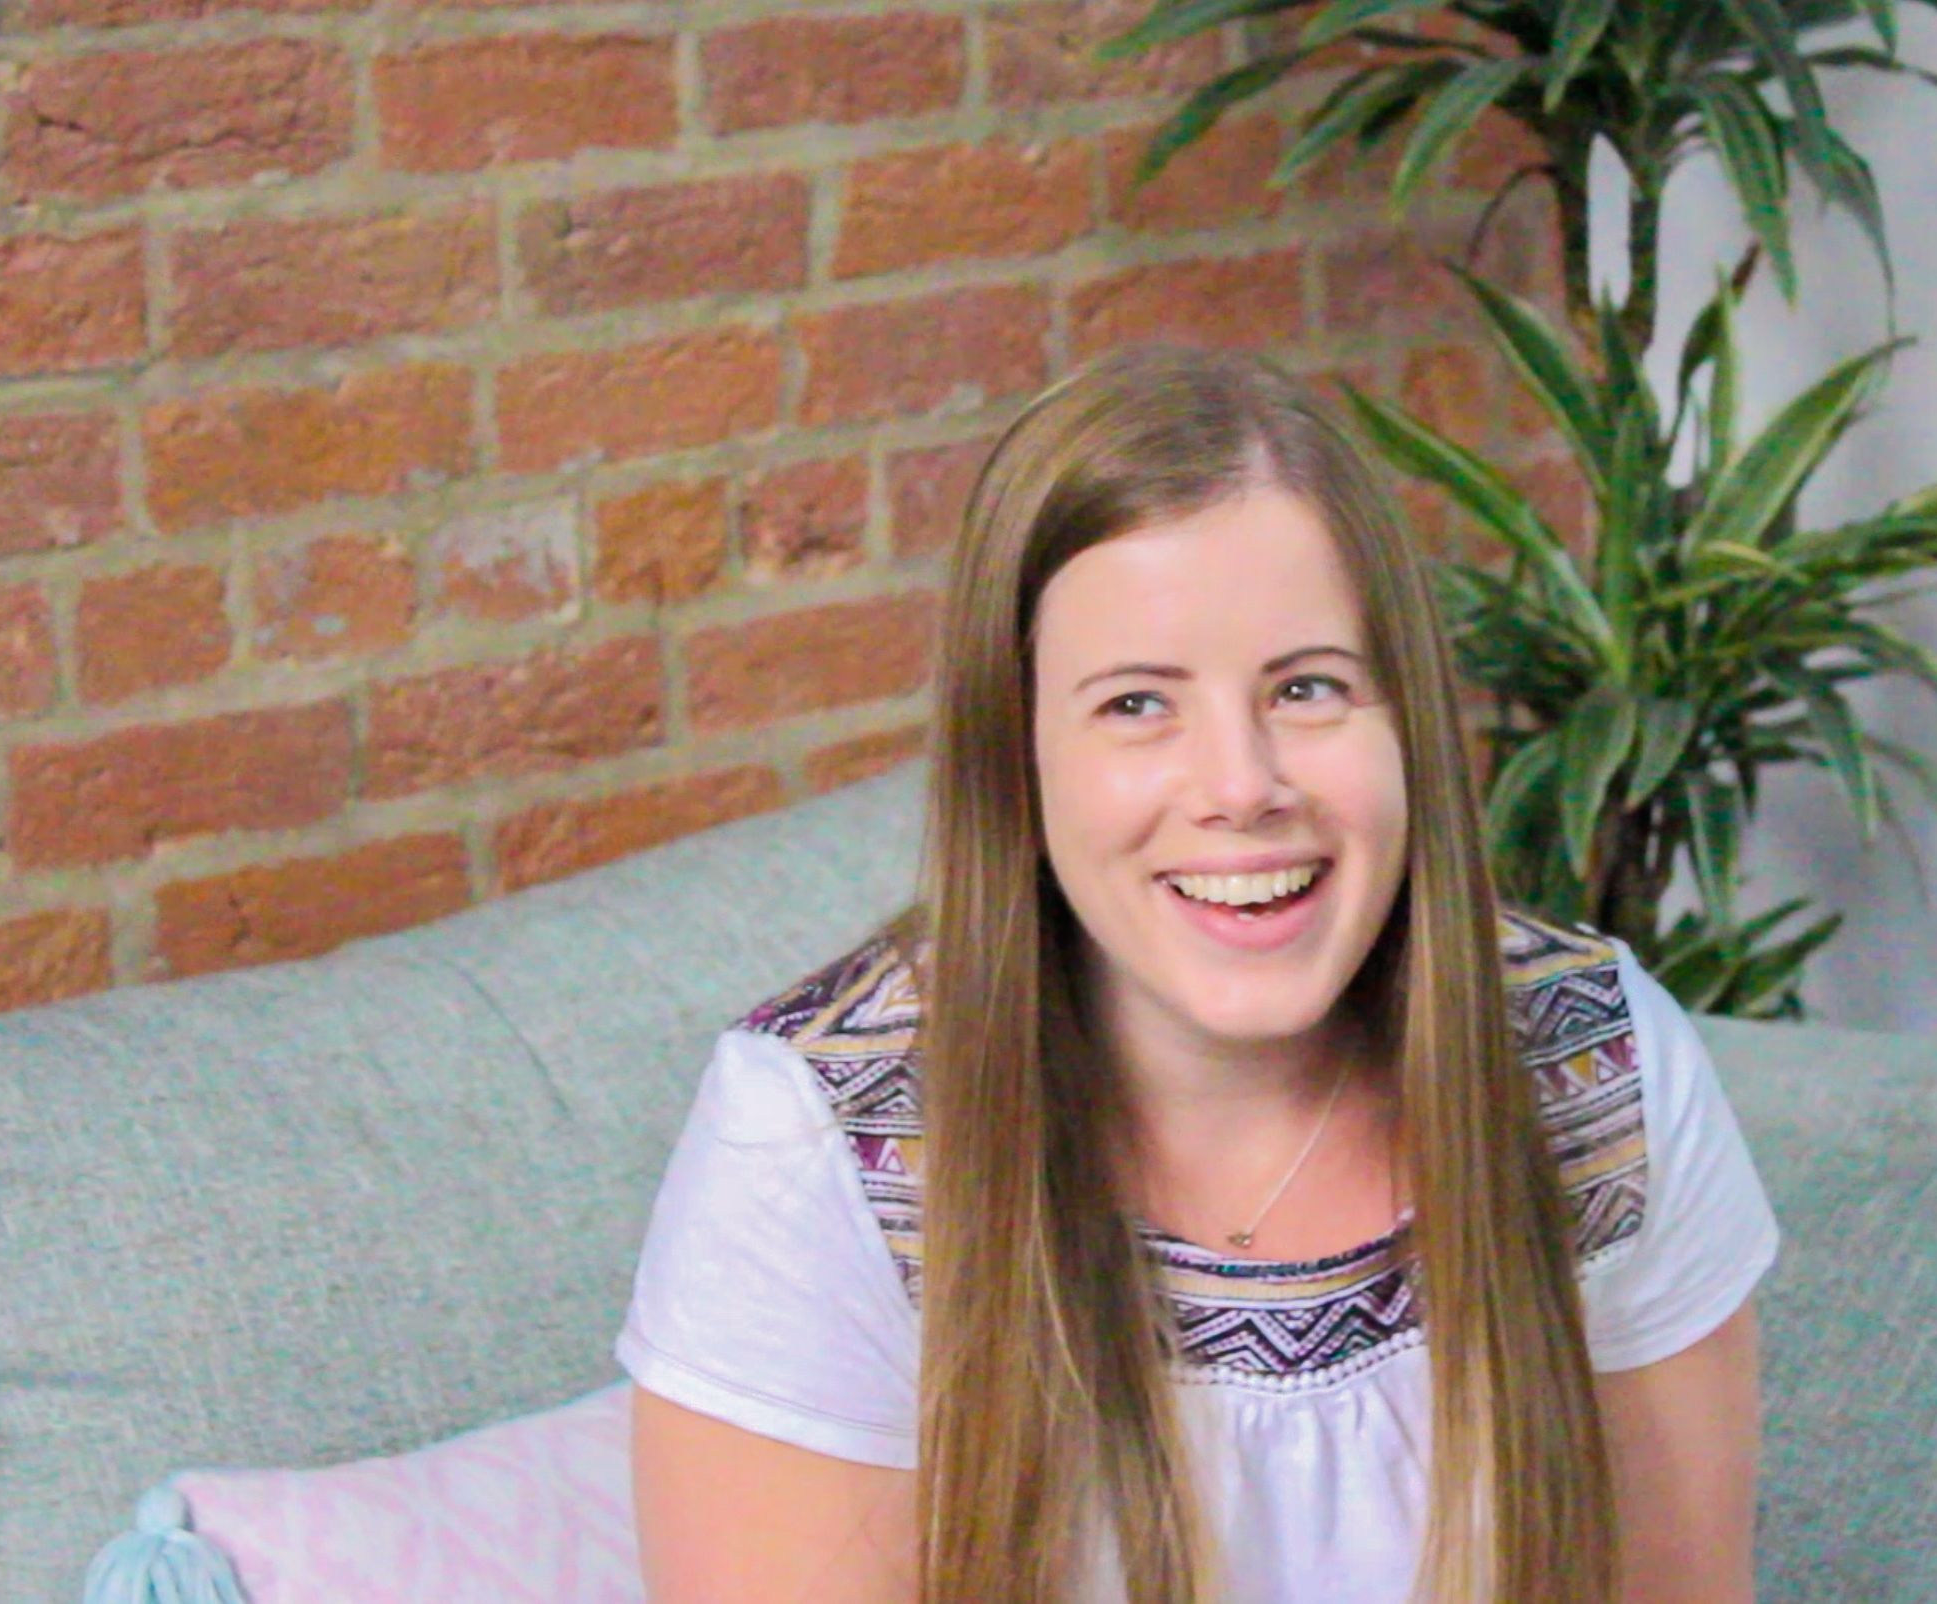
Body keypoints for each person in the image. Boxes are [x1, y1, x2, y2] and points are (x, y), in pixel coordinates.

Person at [615, 344, 1779, 1604]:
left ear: (1411, 721)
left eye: (1308, 687)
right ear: (1018, 752)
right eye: (1135, 705)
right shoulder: (815, 1139)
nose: (1241, 785)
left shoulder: (1594, 1059)